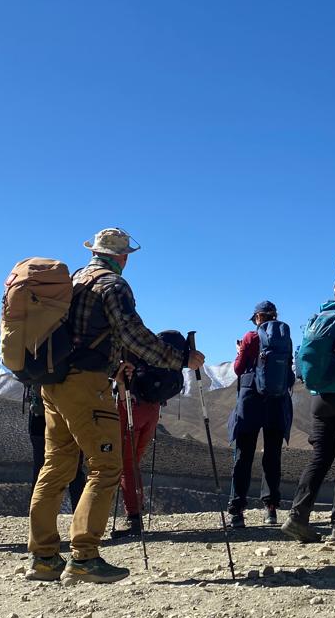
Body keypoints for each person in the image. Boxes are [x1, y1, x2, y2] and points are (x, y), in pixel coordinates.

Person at [27, 228, 205, 584]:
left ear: (95, 251)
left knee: (57, 465)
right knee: (106, 466)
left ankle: (43, 556)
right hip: (85, 387)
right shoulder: (113, 285)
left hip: (52, 384)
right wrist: (182, 358)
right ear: (123, 257)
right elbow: (133, 335)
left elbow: (81, 338)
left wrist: (113, 365)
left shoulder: (74, 280)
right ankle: (84, 557)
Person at [282, 297, 335, 544]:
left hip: (318, 399)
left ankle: (297, 516)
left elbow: (300, 364)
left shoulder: (317, 322)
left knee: (320, 457)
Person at [227, 301, 294, 528]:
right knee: (272, 456)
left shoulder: (250, 337)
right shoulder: (285, 338)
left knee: (244, 456)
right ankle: (271, 510)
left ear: (257, 317)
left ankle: (237, 510)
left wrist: (239, 352)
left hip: (251, 402)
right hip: (276, 403)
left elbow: (238, 368)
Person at [111, 365, 162, 540]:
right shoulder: (150, 353)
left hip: (130, 407)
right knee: (133, 464)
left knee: (126, 465)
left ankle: (134, 519)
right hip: (153, 409)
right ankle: (136, 512)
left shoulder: (126, 351)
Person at [26, 385, 85, 514]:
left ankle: (38, 521)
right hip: (71, 414)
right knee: (75, 468)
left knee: (40, 468)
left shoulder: (36, 364)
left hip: (39, 416)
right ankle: (81, 520)